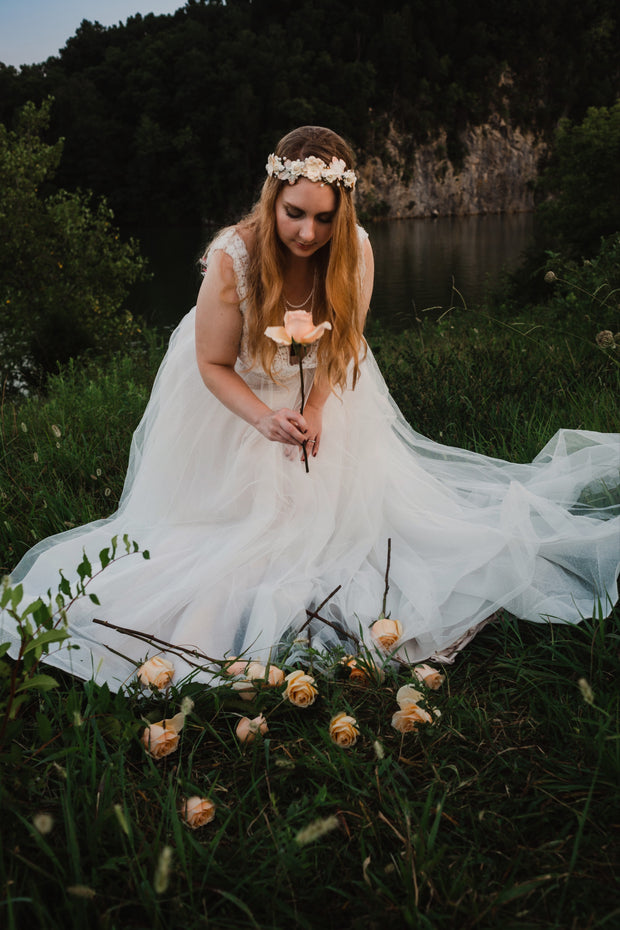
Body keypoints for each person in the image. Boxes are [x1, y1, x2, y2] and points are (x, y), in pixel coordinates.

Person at [3, 126, 619, 690]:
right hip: (235, 402)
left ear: (342, 212)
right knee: (239, 539)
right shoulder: (233, 259)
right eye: (294, 213)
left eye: (324, 219)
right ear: (272, 197)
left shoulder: (354, 251)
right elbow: (212, 365)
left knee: (360, 529)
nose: (307, 233)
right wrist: (265, 419)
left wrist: (318, 407)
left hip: (317, 396)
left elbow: (346, 340)